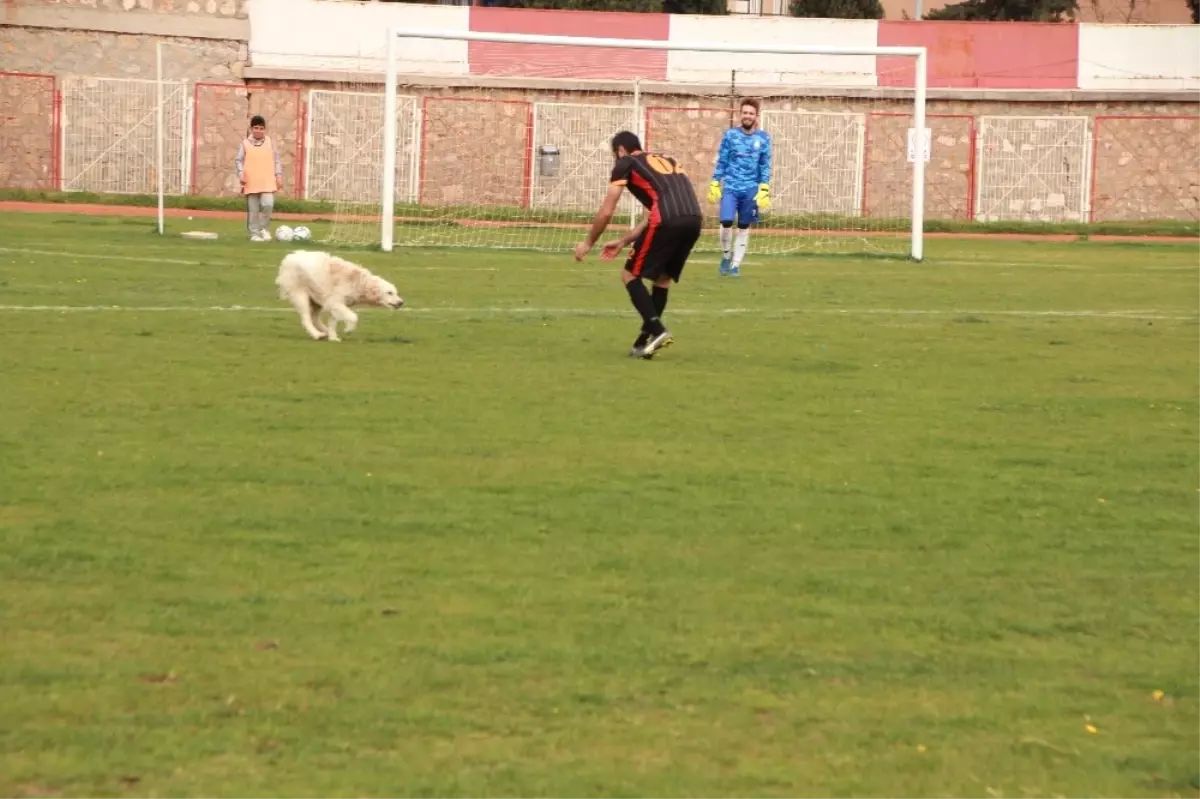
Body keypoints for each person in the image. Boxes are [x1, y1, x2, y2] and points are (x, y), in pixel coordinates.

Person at [575, 131, 703, 360]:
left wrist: (588, 243)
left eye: (615, 154)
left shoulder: (627, 162)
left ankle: (658, 331)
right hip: (694, 218)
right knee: (662, 279)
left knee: (629, 274)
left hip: (667, 218)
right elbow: (653, 212)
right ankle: (643, 343)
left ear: (621, 150)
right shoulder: (667, 159)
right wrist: (624, 240)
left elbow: (607, 211)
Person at [708, 99, 772, 277]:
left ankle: (736, 265)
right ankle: (726, 255)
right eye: (745, 113)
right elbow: (722, 160)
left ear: (755, 116)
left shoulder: (763, 138)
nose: (747, 116)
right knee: (726, 222)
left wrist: (764, 187)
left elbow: (764, 165)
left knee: (743, 227)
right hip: (731, 187)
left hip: (750, 189)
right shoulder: (730, 135)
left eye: (751, 113)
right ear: (740, 114)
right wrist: (715, 181)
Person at [235, 115, 282, 242]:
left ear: (265, 130)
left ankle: (263, 229)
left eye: (261, 128)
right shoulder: (245, 144)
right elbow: (238, 160)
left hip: (267, 180)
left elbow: (276, 160)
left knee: (268, 204)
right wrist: (241, 174)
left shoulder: (270, 142)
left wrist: (278, 175)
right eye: (256, 128)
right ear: (251, 129)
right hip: (251, 181)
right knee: (253, 210)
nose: (258, 131)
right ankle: (254, 234)